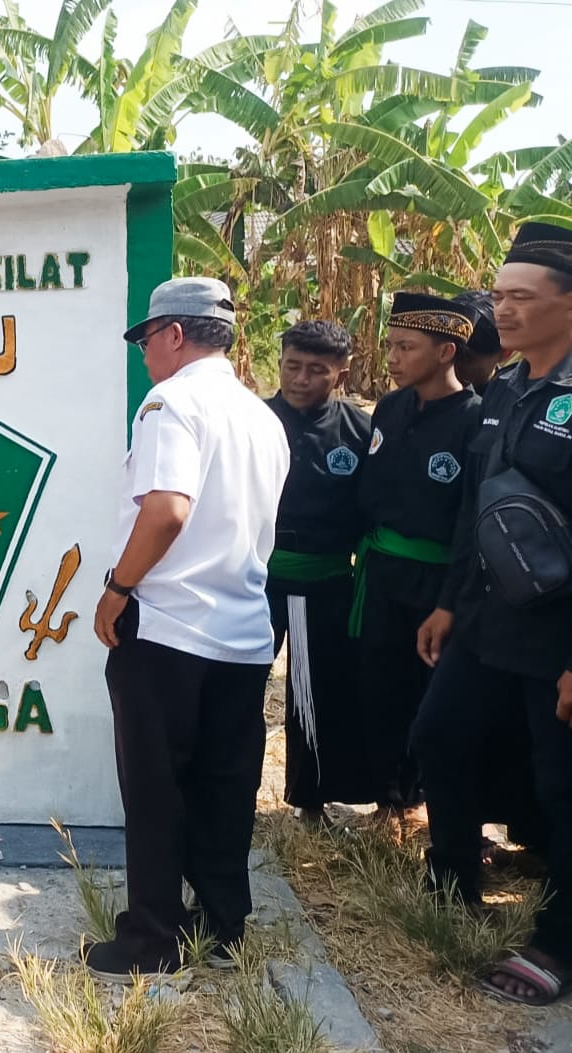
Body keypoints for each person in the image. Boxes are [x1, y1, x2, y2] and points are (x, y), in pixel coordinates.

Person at [87, 277, 289, 979]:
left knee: (155, 789)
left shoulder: (172, 402)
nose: (145, 354)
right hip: (243, 629)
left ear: (175, 333)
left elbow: (167, 508)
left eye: (148, 339)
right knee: (225, 785)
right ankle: (223, 923)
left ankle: (150, 939)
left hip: (169, 628)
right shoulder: (261, 416)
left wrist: (118, 586)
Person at [413, 221, 572, 1006]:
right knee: (439, 734)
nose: (501, 310)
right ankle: (453, 882)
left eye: (521, 297)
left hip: (558, 634)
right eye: (499, 295)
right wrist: (447, 601)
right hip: (483, 620)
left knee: (563, 785)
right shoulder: (505, 388)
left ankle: (559, 938)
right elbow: (474, 507)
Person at [352, 293, 481, 818]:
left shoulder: (476, 420)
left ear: (446, 351)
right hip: (382, 572)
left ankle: (435, 804)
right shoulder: (390, 406)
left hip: (438, 580)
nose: (394, 358)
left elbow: (470, 520)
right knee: (382, 686)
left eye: (406, 347)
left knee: (433, 693)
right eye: (391, 345)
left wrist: (451, 600)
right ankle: (390, 801)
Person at [265, 321, 374, 825]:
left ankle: (309, 802)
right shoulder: (254, 421)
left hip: (326, 581)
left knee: (311, 693)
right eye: (293, 366)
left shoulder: (359, 430)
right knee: (238, 688)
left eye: (316, 370)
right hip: (255, 579)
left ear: (341, 373)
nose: (301, 378)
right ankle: (227, 793)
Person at [452, 290, 511, 394]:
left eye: (464, 358)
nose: (450, 367)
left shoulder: (508, 404)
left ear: (505, 352)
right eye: (442, 352)